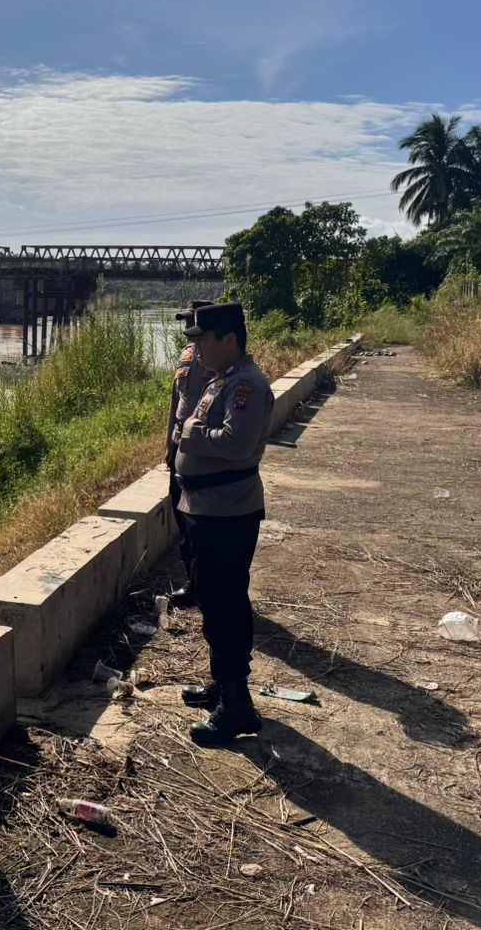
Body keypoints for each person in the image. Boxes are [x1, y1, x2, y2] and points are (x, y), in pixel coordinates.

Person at [172, 301, 274, 745]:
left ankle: (237, 706)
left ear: (228, 339)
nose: (196, 349)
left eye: (203, 340)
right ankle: (223, 687)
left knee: (226, 606)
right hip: (206, 508)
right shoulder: (224, 380)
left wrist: (190, 432)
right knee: (214, 603)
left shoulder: (247, 384)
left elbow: (236, 443)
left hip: (227, 512)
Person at [165, 300, 215, 608]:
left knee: (201, 525)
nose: (187, 328)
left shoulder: (219, 360)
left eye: (191, 322)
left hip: (202, 452)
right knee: (181, 519)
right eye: (185, 321)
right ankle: (193, 581)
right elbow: (176, 398)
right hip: (180, 447)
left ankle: (205, 585)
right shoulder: (186, 355)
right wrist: (168, 441)